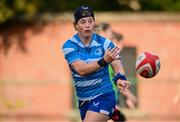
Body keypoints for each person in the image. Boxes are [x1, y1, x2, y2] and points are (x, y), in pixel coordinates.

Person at [62, 5, 130, 122]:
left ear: (94, 23)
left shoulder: (105, 43)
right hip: (84, 101)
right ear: (75, 26)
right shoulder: (69, 46)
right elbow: (81, 70)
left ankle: (110, 110)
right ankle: (113, 114)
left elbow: (117, 65)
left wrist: (120, 78)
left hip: (104, 95)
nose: (87, 25)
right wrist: (103, 61)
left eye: (90, 21)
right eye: (83, 22)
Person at [96, 23, 137, 121]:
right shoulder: (108, 54)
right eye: (110, 32)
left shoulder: (112, 56)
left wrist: (126, 97)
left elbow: (116, 81)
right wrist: (131, 97)